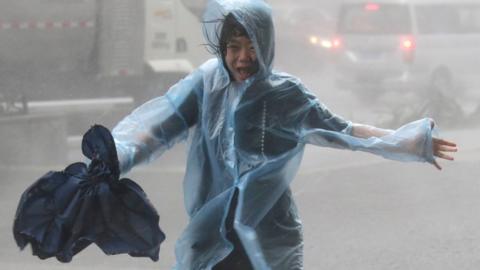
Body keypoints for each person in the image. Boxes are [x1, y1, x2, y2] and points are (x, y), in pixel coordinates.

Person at [111, 0, 457, 269]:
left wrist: (408, 141)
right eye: (234, 47)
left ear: (265, 45)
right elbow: (159, 131)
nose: (243, 57)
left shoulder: (284, 94)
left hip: (268, 231)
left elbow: (343, 131)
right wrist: (117, 158)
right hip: (214, 231)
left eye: (251, 46)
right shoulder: (207, 86)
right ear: (222, 49)